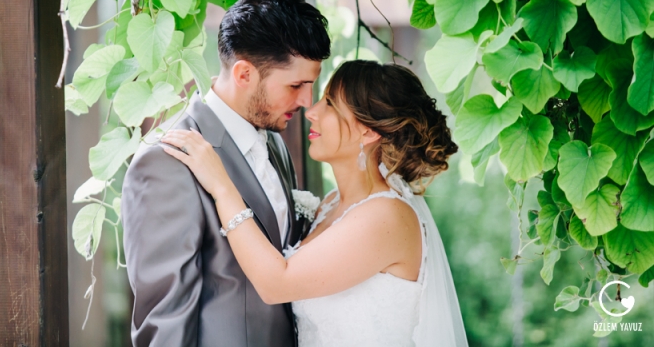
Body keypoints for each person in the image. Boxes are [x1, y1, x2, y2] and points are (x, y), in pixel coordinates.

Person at [162, 60, 469, 346]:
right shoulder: (333, 203)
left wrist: (221, 186)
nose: (312, 111)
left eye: (331, 104)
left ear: (368, 130)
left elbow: (276, 283)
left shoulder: (387, 216)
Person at [121, 0, 331, 346]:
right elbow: (164, 320)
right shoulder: (166, 162)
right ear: (244, 74)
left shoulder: (276, 144)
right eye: (296, 85)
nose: (307, 101)